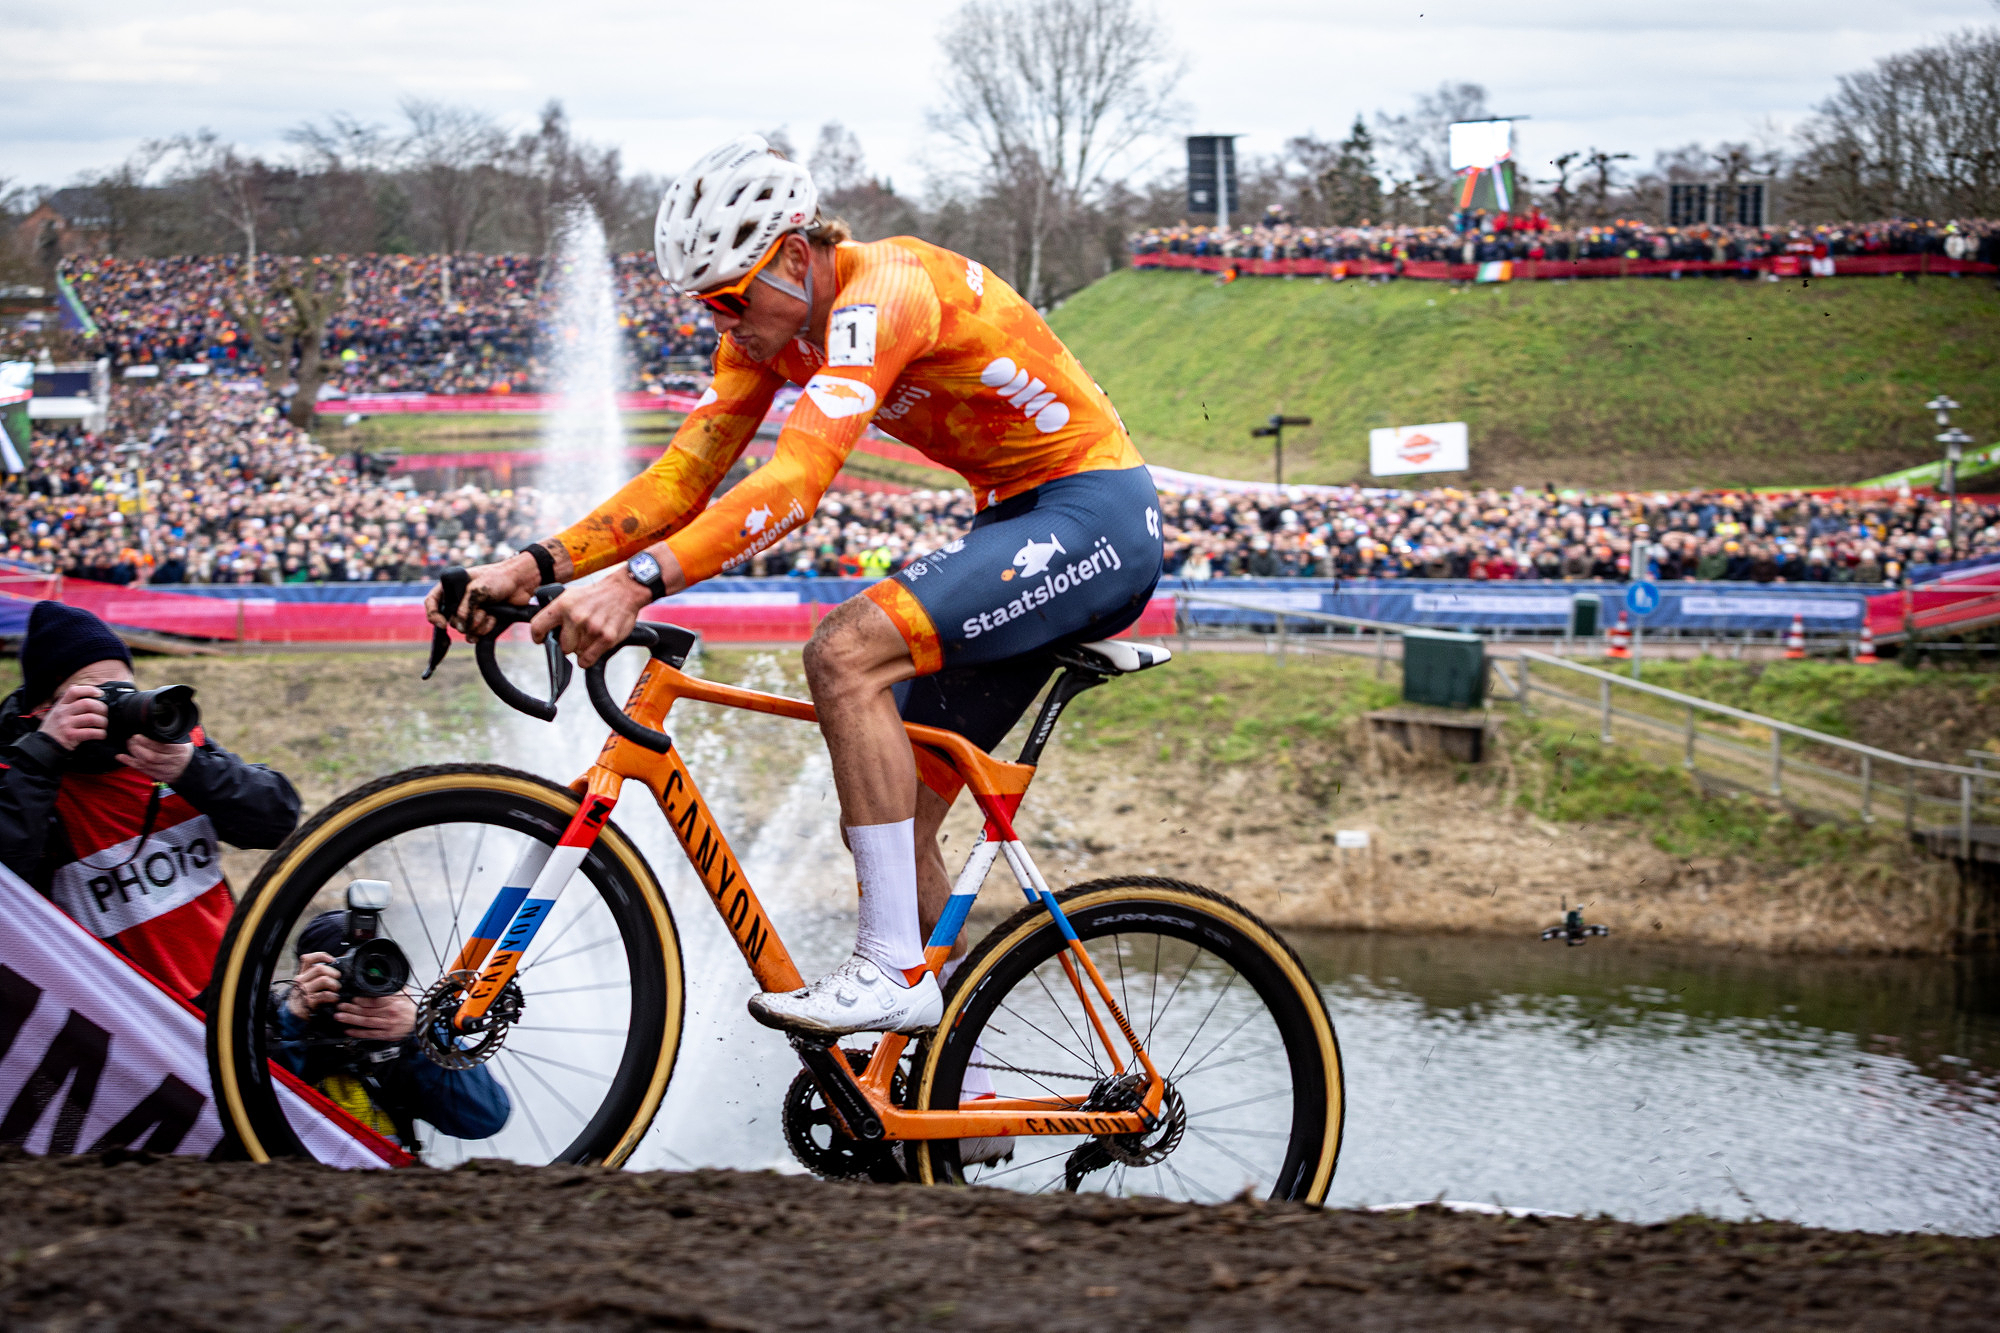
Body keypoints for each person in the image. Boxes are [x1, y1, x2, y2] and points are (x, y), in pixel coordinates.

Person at [429, 133, 1163, 1040]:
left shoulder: (885, 290)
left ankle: (886, 970)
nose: (721, 322)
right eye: (704, 305)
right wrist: (529, 566)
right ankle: (946, 1084)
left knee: (844, 652)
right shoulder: (769, 335)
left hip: (1095, 516)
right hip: (1014, 523)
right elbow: (680, 480)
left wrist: (636, 584)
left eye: (729, 298)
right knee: (898, 816)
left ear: (791, 256)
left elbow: (795, 484)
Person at [0, 601, 302, 1001]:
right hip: (131, 1016)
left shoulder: (170, 747)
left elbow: (277, 820)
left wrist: (192, 770)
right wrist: (45, 753)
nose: (115, 707)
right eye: (96, 697)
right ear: (45, 710)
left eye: (123, 691)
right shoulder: (21, 774)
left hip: (228, 991)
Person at [271, 912, 511, 1149]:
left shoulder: (399, 1039)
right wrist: (293, 1023)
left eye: (373, 968)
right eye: (341, 970)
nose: (362, 981)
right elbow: (260, 1115)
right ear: (306, 974)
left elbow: (487, 1117)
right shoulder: (270, 1026)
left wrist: (421, 1031)